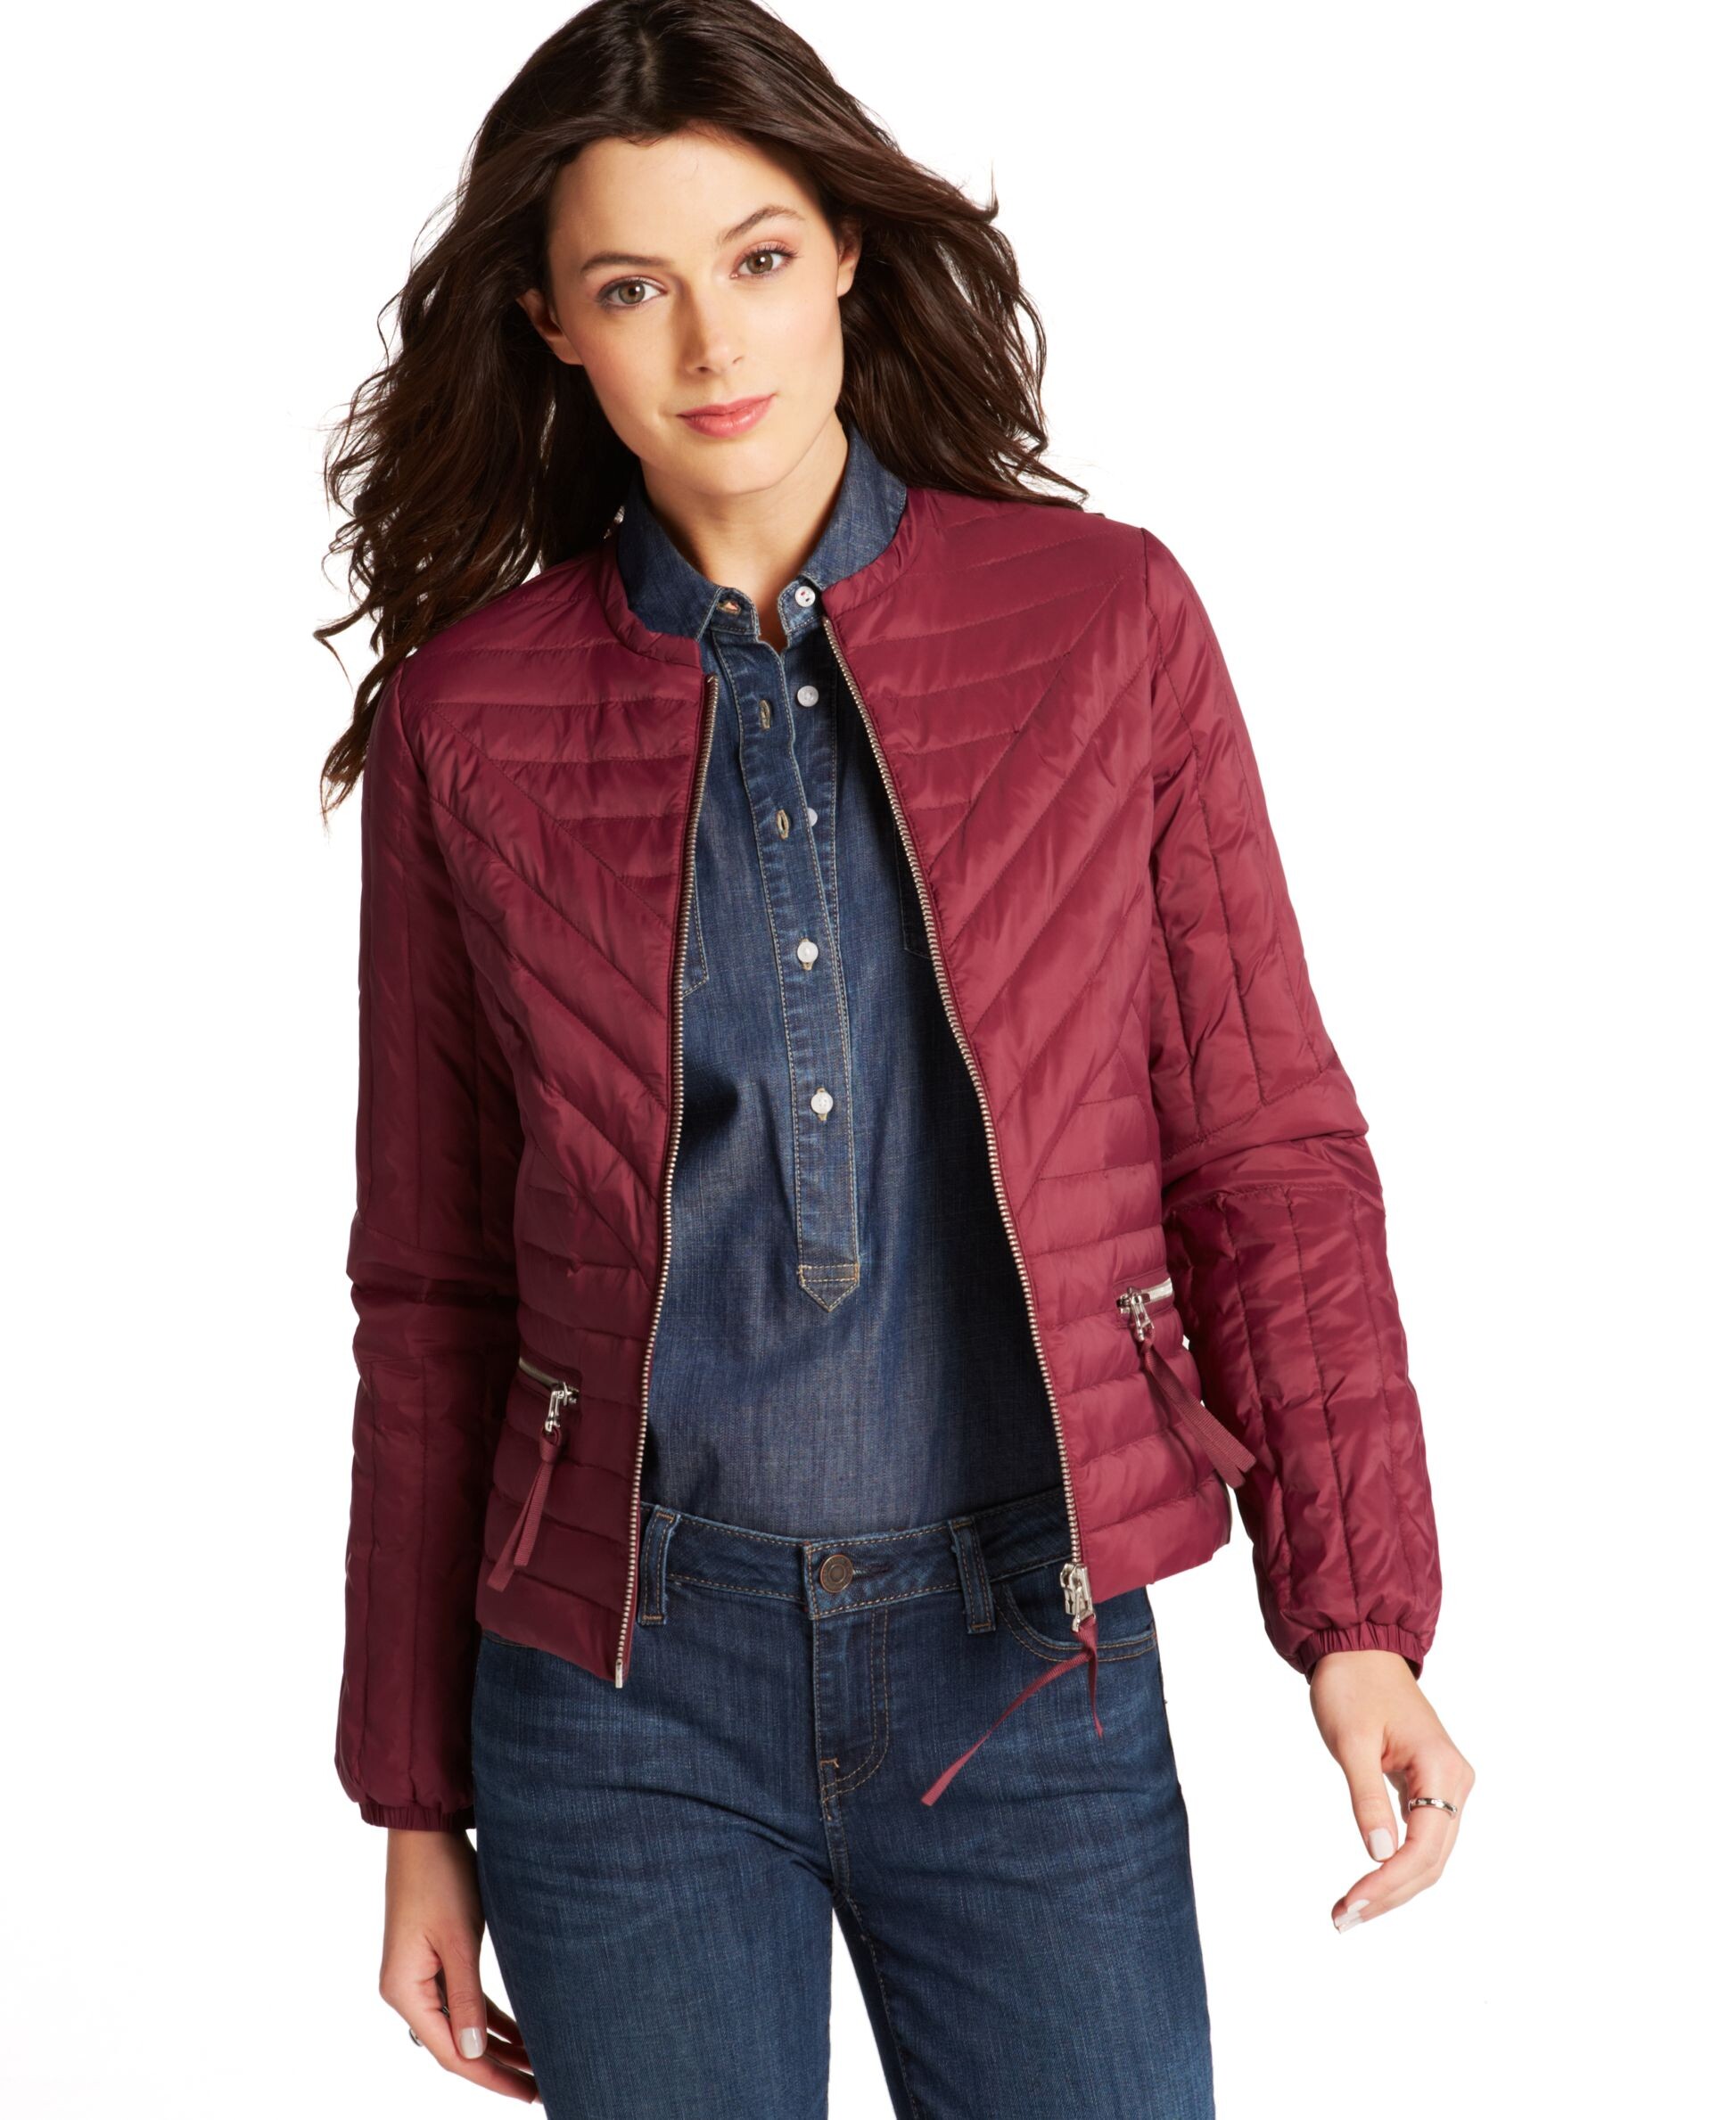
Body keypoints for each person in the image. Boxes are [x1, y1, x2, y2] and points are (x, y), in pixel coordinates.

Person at [317, 4, 1473, 2114]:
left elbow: (1261, 1148)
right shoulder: (468, 723)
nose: (710, 344)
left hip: (1025, 1657)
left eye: (756, 258)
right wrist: (413, 1798)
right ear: (548, 325)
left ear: (845, 248)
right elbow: (435, 1284)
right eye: (630, 288)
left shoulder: (1101, 623)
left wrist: (1356, 1611)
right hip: (618, 1691)